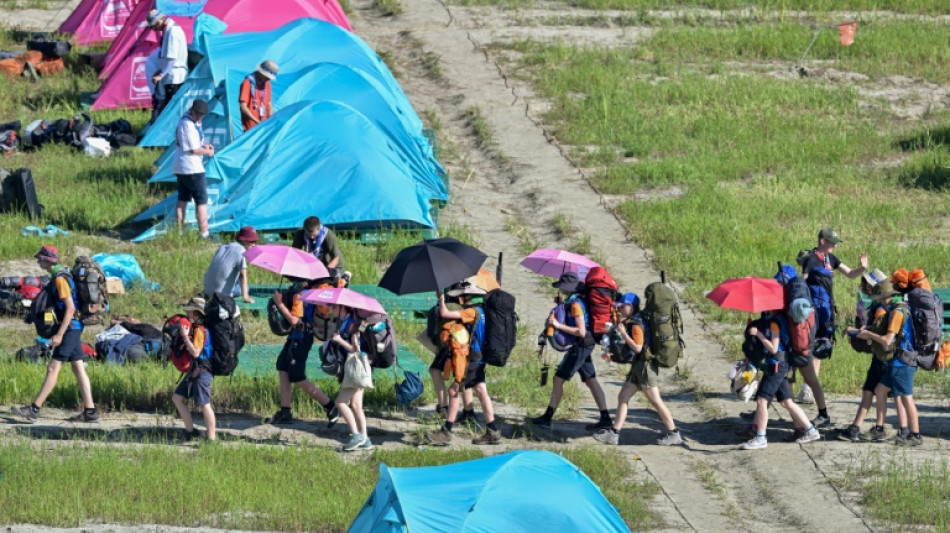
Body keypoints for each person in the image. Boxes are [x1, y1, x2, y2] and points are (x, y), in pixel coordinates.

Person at [13, 246, 98, 424]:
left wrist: (59, 334)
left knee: (53, 368)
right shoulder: (59, 275)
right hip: (74, 326)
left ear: (48, 260)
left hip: (70, 328)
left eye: (40, 259)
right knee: (77, 367)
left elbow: (70, 309)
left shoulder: (60, 279)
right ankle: (90, 411)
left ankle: (34, 409)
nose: (38, 261)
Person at [593, 292, 681, 446]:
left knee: (656, 401)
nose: (619, 309)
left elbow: (638, 348)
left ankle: (674, 434)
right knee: (623, 397)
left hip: (645, 368)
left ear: (631, 307)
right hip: (638, 367)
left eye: (622, 306)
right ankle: (614, 434)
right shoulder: (636, 320)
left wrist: (624, 334)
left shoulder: (635, 324)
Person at [530, 272, 611, 431]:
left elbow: (580, 331)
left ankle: (547, 418)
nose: (560, 288)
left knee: (558, 378)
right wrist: (562, 305)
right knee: (590, 380)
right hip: (585, 344)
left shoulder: (576, 304)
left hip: (581, 344)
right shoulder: (577, 300)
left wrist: (558, 325)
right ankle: (606, 418)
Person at [795, 227, 868, 404]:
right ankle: (805, 387)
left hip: (827, 310)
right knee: (808, 347)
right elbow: (802, 281)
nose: (834, 246)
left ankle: (807, 389)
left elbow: (850, 274)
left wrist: (862, 268)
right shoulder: (811, 259)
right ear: (822, 241)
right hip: (812, 310)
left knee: (821, 347)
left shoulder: (831, 258)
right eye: (832, 242)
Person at [427, 278, 503, 446]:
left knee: (454, 390)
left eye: (463, 295)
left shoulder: (472, 312)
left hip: (473, 356)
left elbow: (445, 314)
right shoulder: (483, 310)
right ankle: (493, 430)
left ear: (468, 296)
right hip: (481, 354)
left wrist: (441, 299)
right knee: (481, 389)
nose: (461, 298)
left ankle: (447, 432)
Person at [854, 279, 922, 446]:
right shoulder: (897, 308)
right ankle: (880, 429)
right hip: (898, 362)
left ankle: (915, 435)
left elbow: (887, 340)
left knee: (906, 398)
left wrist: (869, 335)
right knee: (880, 390)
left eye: (878, 296)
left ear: (884, 296)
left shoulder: (897, 312)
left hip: (903, 362)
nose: (877, 299)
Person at [839, 275, 907, 442]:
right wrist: (861, 330)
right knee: (871, 390)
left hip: (887, 358)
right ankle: (861, 427)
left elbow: (887, 339)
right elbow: (879, 330)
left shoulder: (892, 310)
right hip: (881, 356)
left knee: (889, 393)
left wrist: (868, 333)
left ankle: (894, 430)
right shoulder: (886, 308)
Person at [741, 309, 820, 450]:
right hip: (781, 365)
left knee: (762, 400)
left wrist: (758, 334)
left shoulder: (775, 323)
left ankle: (760, 438)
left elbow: (774, 348)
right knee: (786, 402)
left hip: (777, 366)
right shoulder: (774, 319)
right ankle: (810, 431)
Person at [267, 279, 339, 427]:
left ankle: (331, 406)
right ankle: (285, 411)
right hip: (295, 337)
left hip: (302, 338)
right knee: (283, 367)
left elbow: (295, 321)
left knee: (297, 376)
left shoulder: (304, 294)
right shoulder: (303, 290)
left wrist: (279, 303)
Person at [170, 297, 216, 441]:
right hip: (195, 371)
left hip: (203, 371)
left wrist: (185, 337)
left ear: (196, 313)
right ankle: (190, 431)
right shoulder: (198, 328)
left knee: (204, 404)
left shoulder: (200, 330)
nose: (187, 314)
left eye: (189, 311)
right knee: (177, 398)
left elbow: (196, 352)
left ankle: (211, 438)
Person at [330, 307, 373, 451]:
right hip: (359, 368)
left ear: (342, 307)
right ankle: (365, 439)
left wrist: (339, 340)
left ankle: (356, 435)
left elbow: (354, 349)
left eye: (334, 306)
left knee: (340, 402)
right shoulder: (354, 322)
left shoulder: (353, 324)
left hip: (354, 369)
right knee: (356, 405)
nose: (331, 308)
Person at [174, 99, 215, 237]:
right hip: (192, 168)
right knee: (201, 201)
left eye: (202, 115)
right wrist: (207, 151)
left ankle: (179, 231)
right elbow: (193, 149)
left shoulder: (191, 121)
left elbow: (196, 145)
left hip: (182, 166)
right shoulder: (187, 124)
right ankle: (204, 233)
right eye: (198, 114)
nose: (199, 117)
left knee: (183, 198)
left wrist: (205, 146)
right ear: (193, 110)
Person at [146, 9, 187, 119]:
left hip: (175, 78)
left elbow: (172, 59)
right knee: (168, 107)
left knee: (170, 111)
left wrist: (161, 75)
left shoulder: (172, 32)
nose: (154, 30)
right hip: (172, 75)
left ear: (159, 21)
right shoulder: (169, 29)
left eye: (154, 26)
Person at [202, 226, 257, 303]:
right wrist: (246, 297)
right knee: (246, 287)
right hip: (219, 295)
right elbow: (243, 276)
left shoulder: (223, 247)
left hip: (207, 290)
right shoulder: (241, 251)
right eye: (251, 242)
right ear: (244, 241)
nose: (254, 245)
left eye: (255, 242)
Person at [239, 60, 278, 131]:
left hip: (264, 127)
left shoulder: (267, 84)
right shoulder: (247, 83)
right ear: (261, 72)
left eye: (269, 78)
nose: (268, 79)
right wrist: (257, 121)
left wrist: (271, 120)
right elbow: (243, 107)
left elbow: (269, 103)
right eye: (267, 76)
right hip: (251, 128)